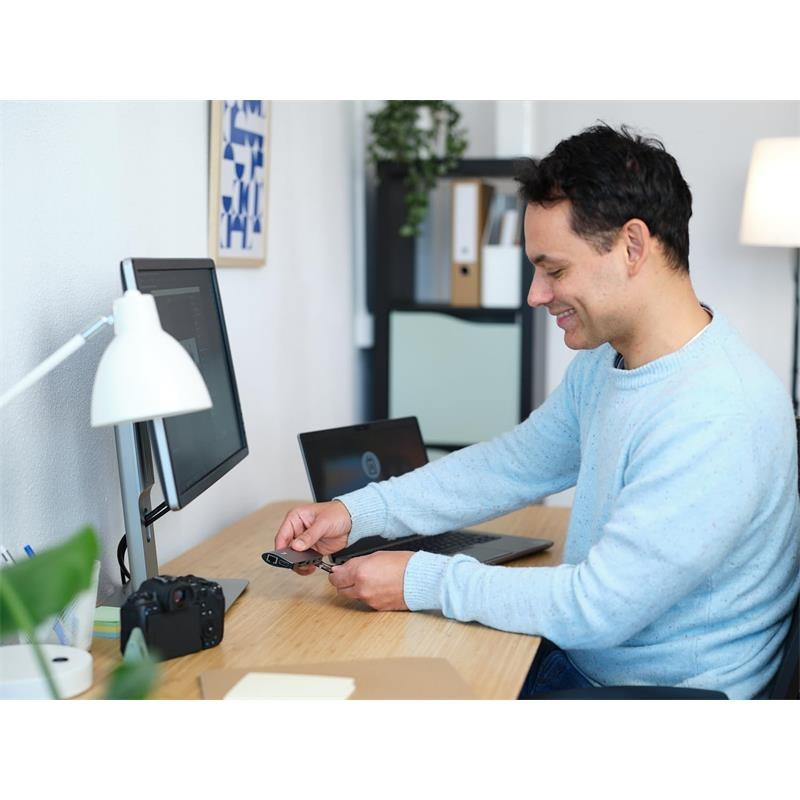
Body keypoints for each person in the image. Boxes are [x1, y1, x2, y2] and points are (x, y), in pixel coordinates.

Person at [274, 123, 800, 699]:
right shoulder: (607, 362)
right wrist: (356, 512)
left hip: (654, 696)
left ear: (632, 246)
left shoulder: (716, 411)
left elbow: (598, 607)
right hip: (589, 660)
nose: (535, 294)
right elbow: (512, 464)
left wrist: (421, 580)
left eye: (555, 269)